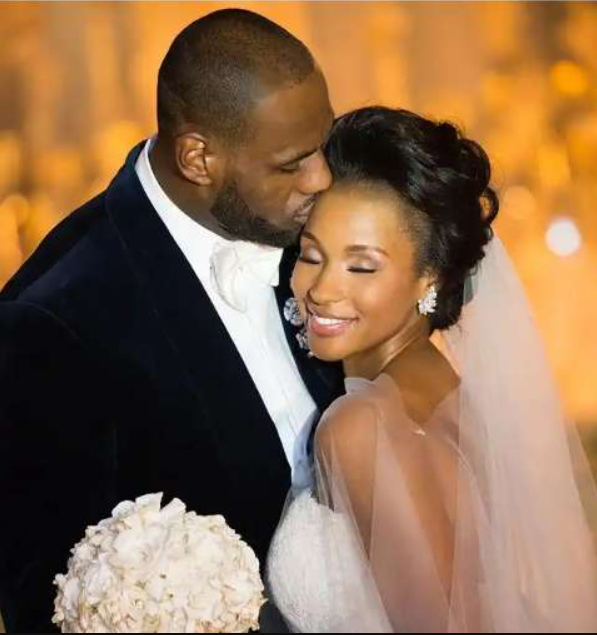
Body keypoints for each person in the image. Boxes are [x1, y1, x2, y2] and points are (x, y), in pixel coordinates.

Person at [0, 9, 342, 632]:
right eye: (292, 162)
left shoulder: (322, 230)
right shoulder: (54, 323)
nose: (322, 178)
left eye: (325, 145)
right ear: (197, 158)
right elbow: (50, 604)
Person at [268, 106, 597, 632]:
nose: (323, 290)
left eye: (362, 265)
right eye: (311, 255)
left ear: (429, 279)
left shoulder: (359, 426)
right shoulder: (445, 389)